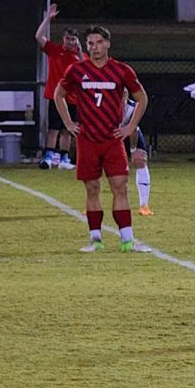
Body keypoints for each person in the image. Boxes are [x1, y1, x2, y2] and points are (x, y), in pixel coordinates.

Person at [54, 26, 149, 252]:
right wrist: (68, 123)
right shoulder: (77, 69)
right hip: (87, 140)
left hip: (112, 139)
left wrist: (130, 126)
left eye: (98, 43)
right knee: (92, 188)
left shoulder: (121, 70)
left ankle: (127, 240)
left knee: (120, 187)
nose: (94, 48)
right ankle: (95, 240)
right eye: (90, 44)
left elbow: (142, 97)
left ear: (108, 44)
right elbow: (59, 94)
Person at [36, 3, 83, 170]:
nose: (70, 42)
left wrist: (80, 51)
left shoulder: (79, 57)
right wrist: (48, 19)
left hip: (73, 98)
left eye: (73, 39)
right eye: (68, 38)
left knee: (68, 129)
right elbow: (38, 37)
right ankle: (48, 157)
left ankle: (64, 159)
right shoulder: (55, 51)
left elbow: (87, 71)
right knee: (53, 128)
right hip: (57, 97)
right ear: (63, 38)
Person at [124, 97, 154, 215]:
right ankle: (91, 205)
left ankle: (144, 205)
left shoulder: (132, 107)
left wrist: (133, 149)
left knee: (140, 159)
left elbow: (133, 130)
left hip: (129, 132)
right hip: (110, 133)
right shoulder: (106, 104)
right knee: (98, 162)